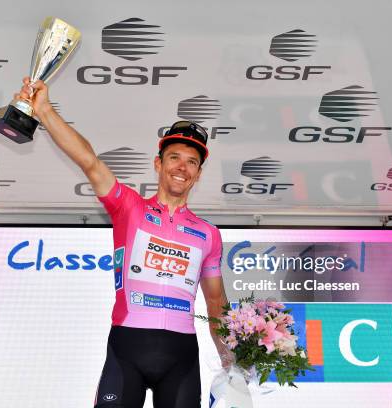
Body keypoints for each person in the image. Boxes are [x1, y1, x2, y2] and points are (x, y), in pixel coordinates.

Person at [16, 78, 232, 408]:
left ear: (199, 173)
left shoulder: (208, 234)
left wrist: (232, 359)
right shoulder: (129, 207)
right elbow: (88, 160)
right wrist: (44, 110)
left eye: (192, 162)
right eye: (174, 157)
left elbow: (216, 304)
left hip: (182, 356)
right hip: (128, 346)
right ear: (158, 163)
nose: (182, 168)